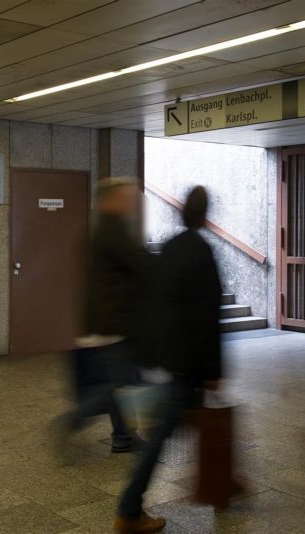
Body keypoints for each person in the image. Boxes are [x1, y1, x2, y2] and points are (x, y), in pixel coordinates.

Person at [115, 186, 222, 533]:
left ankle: (217, 486)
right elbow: (208, 315)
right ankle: (129, 509)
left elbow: (154, 300)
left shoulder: (170, 247)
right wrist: (212, 370)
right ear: (206, 215)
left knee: (167, 429)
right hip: (185, 361)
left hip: (162, 354)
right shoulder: (202, 251)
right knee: (162, 434)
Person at [60, 177, 156, 453]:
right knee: (120, 385)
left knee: (123, 382)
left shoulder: (101, 229)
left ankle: (123, 437)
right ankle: (75, 419)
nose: (131, 203)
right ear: (112, 200)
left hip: (107, 321)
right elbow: (141, 265)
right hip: (114, 323)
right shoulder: (115, 230)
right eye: (126, 198)